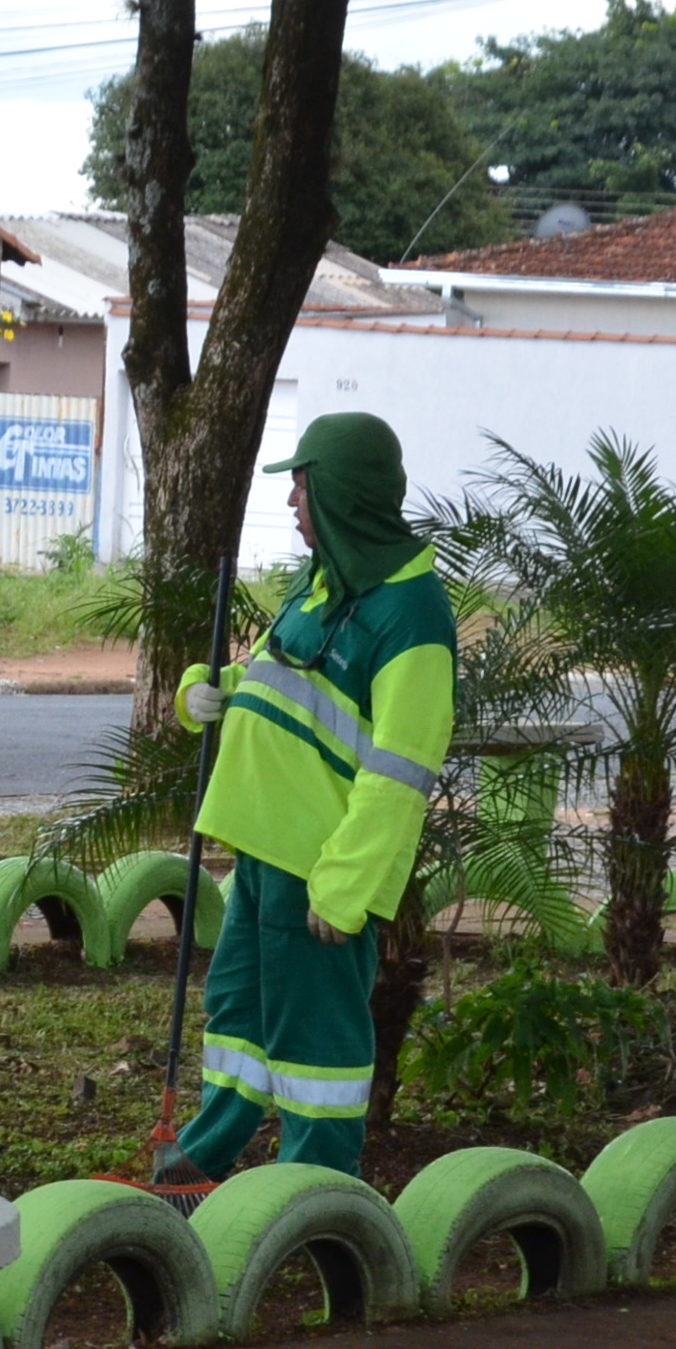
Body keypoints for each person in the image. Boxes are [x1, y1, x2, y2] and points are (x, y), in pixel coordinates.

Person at [163, 411, 456, 1183]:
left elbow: (403, 773)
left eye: (303, 483)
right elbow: (275, 677)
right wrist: (209, 689)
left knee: (315, 1044)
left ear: (342, 493)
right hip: (260, 846)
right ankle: (204, 1157)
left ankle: (316, 1196)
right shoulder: (322, 581)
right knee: (238, 1015)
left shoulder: (412, 615)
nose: (292, 498)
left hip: (319, 870)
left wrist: (347, 885)